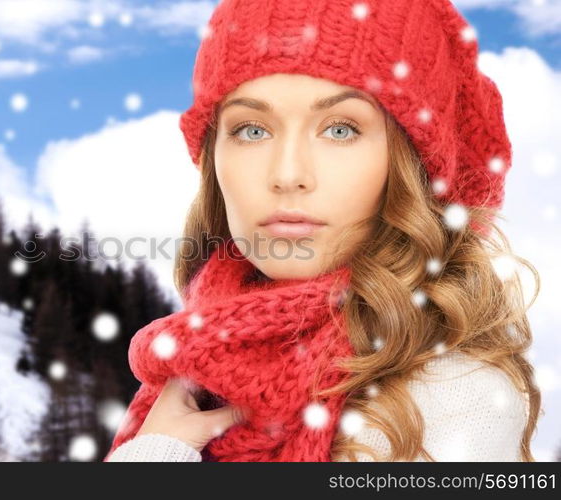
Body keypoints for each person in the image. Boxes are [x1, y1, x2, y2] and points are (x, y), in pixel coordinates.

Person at [104, 0, 541, 462]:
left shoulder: (453, 397)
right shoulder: (197, 369)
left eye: (340, 130)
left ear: (409, 163)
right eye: (252, 130)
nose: (288, 173)